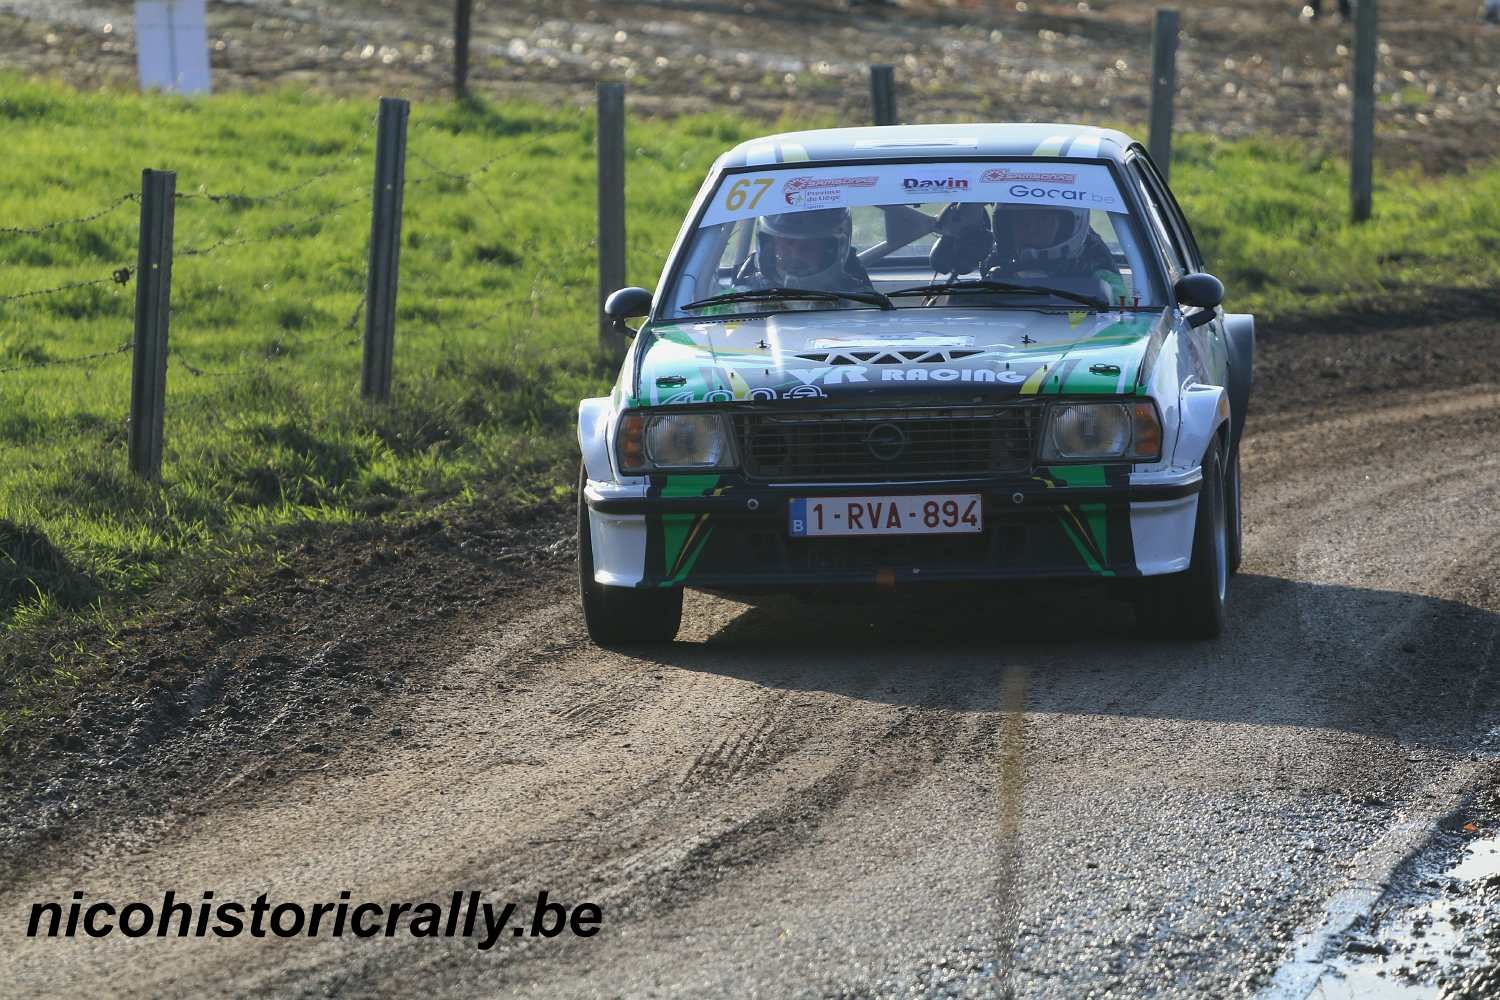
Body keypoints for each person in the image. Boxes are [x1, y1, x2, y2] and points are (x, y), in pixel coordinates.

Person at [984, 204, 1127, 303]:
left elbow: (1125, 326)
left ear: (1065, 227)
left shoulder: (1104, 280)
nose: (1031, 229)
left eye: (1042, 219)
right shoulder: (993, 272)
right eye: (1021, 220)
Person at [734, 207, 878, 297]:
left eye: (807, 245)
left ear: (829, 249)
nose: (795, 253)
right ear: (771, 245)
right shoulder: (737, 301)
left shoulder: (862, 301)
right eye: (788, 242)